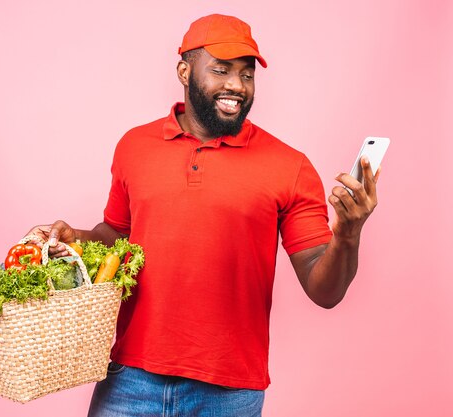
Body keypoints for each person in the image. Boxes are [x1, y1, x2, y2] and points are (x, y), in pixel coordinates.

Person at [24, 14, 380, 417]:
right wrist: (79, 238)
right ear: (184, 71)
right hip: (130, 377)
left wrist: (348, 235)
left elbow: (325, 291)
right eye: (221, 70)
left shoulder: (290, 166)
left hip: (229, 392)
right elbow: (119, 234)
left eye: (247, 75)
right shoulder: (134, 147)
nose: (236, 85)